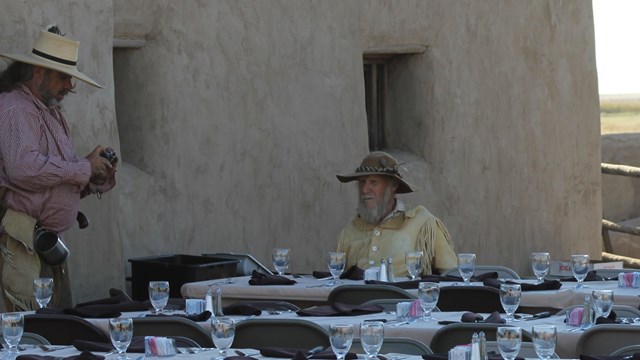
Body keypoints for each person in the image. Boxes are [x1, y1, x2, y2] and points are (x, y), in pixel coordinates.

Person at [0, 25, 117, 311]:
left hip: (45, 246)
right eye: (64, 77)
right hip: (21, 243)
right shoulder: (17, 108)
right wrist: (82, 168)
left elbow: (55, 178)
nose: (70, 86)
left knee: (55, 337)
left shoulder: (50, 114)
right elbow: (23, 169)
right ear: (39, 73)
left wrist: (93, 174)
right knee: (29, 337)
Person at [336, 151, 456, 278]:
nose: (365, 190)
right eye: (362, 182)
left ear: (393, 185)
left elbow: (453, 278)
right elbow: (337, 280)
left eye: (373, 182)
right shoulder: (349, 232)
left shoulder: (424, 224)